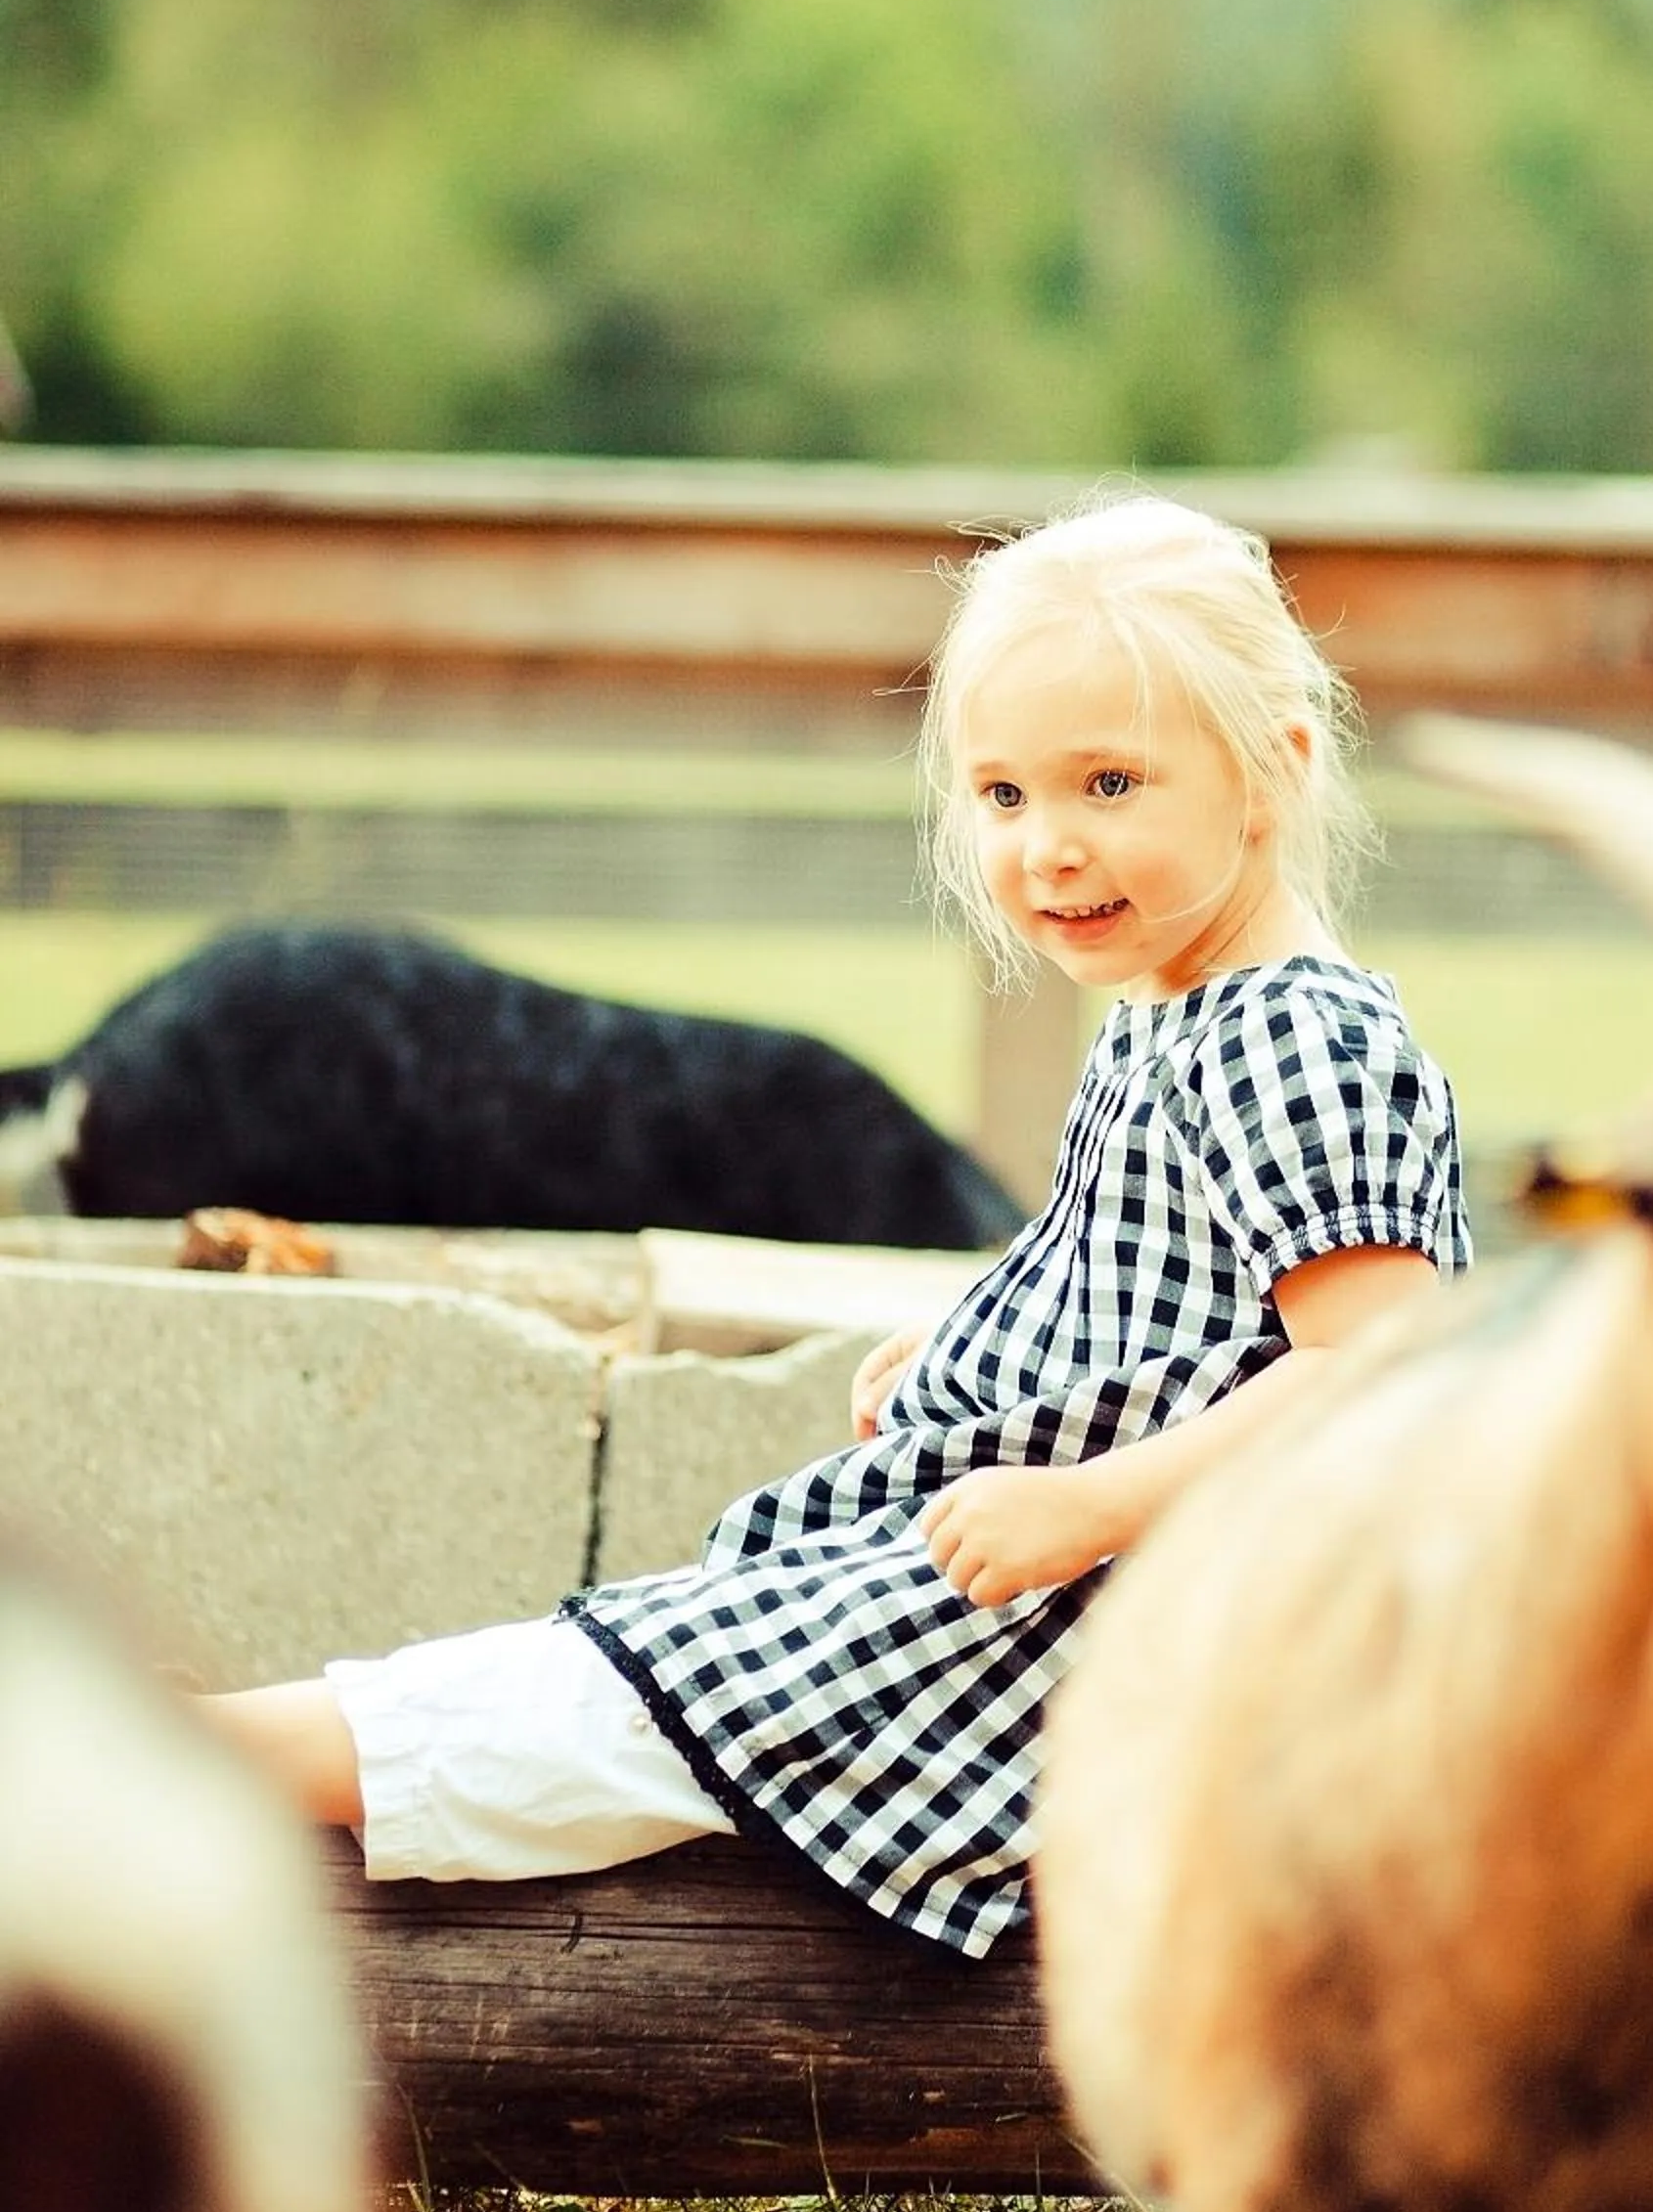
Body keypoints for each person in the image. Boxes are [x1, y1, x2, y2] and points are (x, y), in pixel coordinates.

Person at [211, 493, 1471, 1958]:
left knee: (593, 1713)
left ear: (1272, 774)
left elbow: (1384, 1373)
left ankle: (135, 1772)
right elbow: (1173, 1295)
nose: (1048, 848)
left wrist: (1087, 1507)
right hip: (1022, 1593)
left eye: (1111, 785)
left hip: (1086, 1641)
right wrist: (975, 1342)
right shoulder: (1182, 1011)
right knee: (618, 1691)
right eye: (1004, 797)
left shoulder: (1297, 1042)